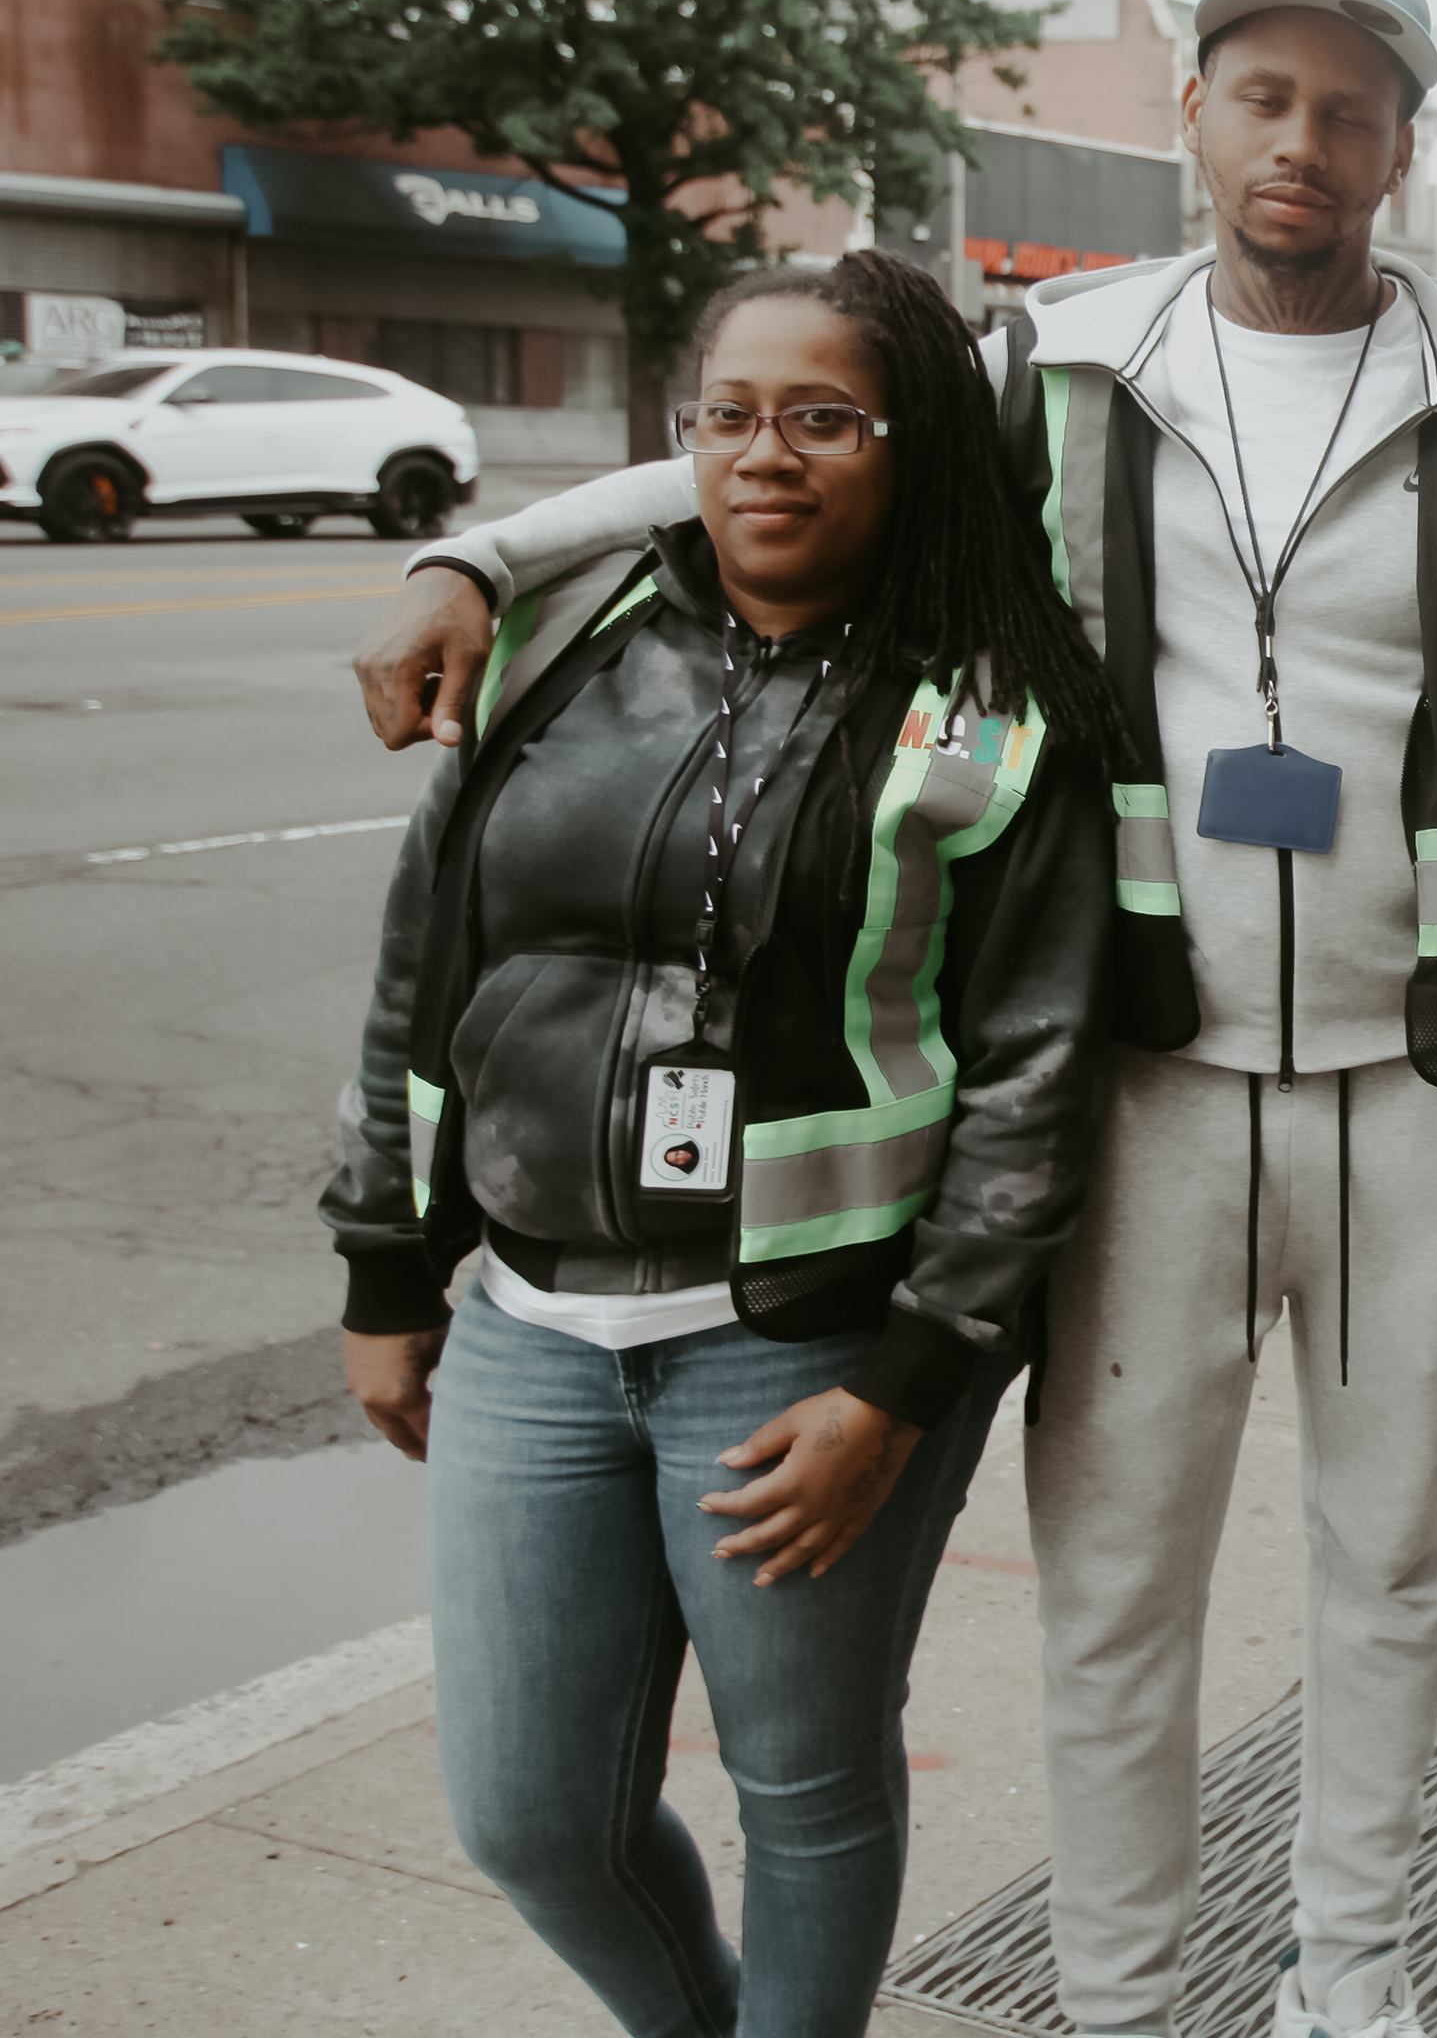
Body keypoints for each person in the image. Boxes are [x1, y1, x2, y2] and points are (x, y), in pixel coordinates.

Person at [345, 0, 1437, 2038]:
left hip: (1422, 1094)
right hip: (1141, 1091)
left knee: (1390, 1561)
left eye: (1351, 108)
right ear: (1197, 114)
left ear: (1405, 144)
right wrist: (480, 553)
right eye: (1263, 95)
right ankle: (1117, 2000)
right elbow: (766, 446)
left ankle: (1354, 1978)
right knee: (1116, 1587)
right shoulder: (1055, 364)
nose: (1303, 140)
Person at [324, 250, 1123, 2037]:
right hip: (532, 1327)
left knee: (805, 1786)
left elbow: (1035, 1081)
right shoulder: (555, 638)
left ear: (910, 448)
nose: (767, 455)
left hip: (807, 1351)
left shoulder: (994, 713)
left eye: (826, 420)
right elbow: (419, 967)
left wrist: (901, 1389)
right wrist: (385, 1264)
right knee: (532, 1815)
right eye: (730, 415)